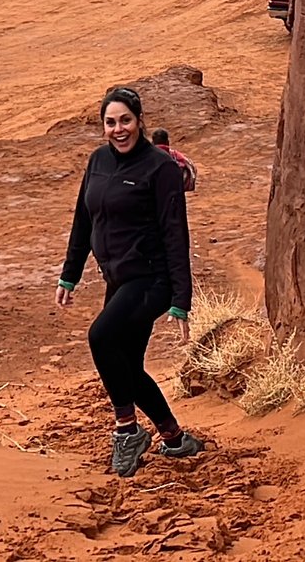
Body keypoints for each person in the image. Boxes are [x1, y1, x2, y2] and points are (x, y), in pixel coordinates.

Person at [57, 86, 203, 476]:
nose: (118, 129)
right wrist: (69, 275)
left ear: (139, 121)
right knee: (127, 366)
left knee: (101, 337)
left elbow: (176, 233)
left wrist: (180, 299)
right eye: (110, 122)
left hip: (152, 279)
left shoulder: (160, 168)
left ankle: (126, 430)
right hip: (118, 279)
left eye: (125, 120)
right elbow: (83, 220)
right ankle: (174, 439)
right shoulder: (98, 161)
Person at [151, 129, 199, 193]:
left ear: (152, 143)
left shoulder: (147, 157)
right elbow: (191, 168)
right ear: (167, 142)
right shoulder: (175, 155)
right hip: (175, 196)